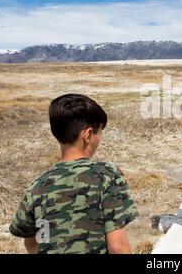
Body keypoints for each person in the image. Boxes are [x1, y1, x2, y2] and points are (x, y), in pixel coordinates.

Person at [9, 94, 138, 254]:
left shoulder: (37, 186)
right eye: (99, 133)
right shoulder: (107, 175)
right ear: (88, 135)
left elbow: (31, 242)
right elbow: (118, 247)